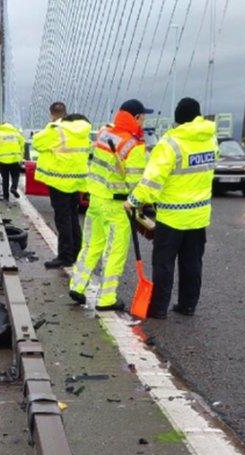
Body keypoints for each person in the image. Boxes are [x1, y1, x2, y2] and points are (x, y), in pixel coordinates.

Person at [126, 97, 218, 318]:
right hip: (198, 215)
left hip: (172, 217)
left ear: (177, 119)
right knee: (192, 263)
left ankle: (158, 309)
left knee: (164, 264)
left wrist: (133, 201)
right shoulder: (211, 140)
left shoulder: (170, 143)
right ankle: (188, 305)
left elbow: (152, 181)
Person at [68, 99, 152, 311]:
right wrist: (145, 203)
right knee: (114, 252)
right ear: (136, 117)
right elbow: (135, 183)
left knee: (91, 246)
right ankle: (106, 299)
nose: (144, 121)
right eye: (143, 117)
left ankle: (77, 285)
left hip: (95, 200)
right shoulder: (134, 146)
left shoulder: (104, 134)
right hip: (116, 206)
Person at [32, 102, 92, 269]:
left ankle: (65, 256)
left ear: (52, 114)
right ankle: (76, 252)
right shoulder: (82, 130)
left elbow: (37, 143)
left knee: (62, 219)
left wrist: (51, 127)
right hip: (76, 180)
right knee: (73, 218)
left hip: (59, 181)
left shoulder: (56, 130)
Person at [0, 121, 25, 201]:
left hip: (3, 160)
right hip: (14, 159)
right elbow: (22, 142)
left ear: (2, 125)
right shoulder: (15, 132)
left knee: (5, 179)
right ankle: (13, 188)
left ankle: (6, 197)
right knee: (15, 175)